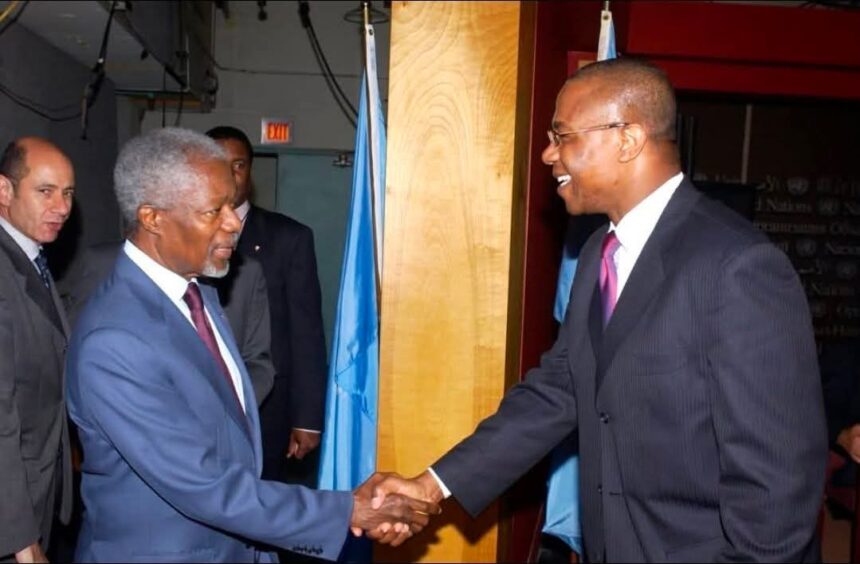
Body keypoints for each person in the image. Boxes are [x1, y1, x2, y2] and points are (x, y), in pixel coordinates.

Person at [364, 58, 827, 562]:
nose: (548, 154)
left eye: (562, 136)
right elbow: (560, 388)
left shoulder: (738, 266)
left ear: (627, 139)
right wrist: (431, 485)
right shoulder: (596, 254)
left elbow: (777, 482)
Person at [65, 128, 437, 562]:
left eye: (232, 205)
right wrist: (349, 510)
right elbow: (204, 486)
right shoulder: (114, 341)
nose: (234, 223)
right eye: (213, 211)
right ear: (152, 218)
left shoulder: (199, 291)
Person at [205, 126, 328, 489]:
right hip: (201, 398)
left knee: (264, 496)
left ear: (250, 170)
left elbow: (306, 332)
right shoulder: (184, 234)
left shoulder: (289, 238)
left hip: (267, 402)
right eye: (220, 164)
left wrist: (307, 418)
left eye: (239, 165)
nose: (231, 174)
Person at [62, 241, 276, 407]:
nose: (232, 222)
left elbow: (257, 361)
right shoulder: (103, 264)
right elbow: (71, 354)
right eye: (213, 211)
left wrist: (230, 416)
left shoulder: (238, 274)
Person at [0, 138, 75, 563]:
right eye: (45, 191)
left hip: (39, 489)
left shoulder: (32, 260)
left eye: (68, 194)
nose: (62, 207)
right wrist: (20, 539)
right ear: (4, 190)